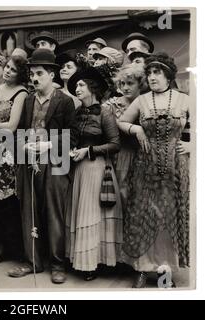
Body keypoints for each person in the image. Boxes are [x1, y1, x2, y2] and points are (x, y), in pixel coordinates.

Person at [118, 53, 190, 288]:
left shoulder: (184, 99)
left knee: (168, 217)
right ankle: (142, 268)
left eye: (156, 72)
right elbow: (121, 121)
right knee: (144, 213)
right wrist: (135, 129)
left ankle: (165, 270)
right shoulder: (142, 101)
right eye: (149, 73)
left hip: (174, 167)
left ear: (168, 75)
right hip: (145, 166)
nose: (151, 77)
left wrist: (192, 144)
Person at [7, 49, 78, 284]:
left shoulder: (65, 102)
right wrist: (23, 145)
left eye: (39, 73)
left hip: (56, 164)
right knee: (30, 211)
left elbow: (74, 136)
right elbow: (18, 132)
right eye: (32, 74)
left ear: (51, 74)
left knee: (54, 214)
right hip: (30, 162)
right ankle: (32, 261)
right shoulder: (28, 100)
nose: (34, 78)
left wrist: (49, 144)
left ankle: (58, 264)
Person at [66, 67, 122, 281]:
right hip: (78, 169)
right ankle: (81, 261)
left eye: (81, 85)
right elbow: (71, 138)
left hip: (96, 168)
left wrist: (88, 151)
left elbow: (115, 144)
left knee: (92, 214)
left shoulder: (105, 113)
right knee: (81, 212)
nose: (77, 89)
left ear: (92, 88)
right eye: (76, 86)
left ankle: (92, 264)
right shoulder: (77, 112)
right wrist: (71, 149)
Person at [0, 55, 29, 266]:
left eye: (13, 70)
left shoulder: (21, 93)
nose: (9, 71)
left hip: (8, 151)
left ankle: (8, 248)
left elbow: (12, 125)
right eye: (7, 67)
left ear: (20, 74)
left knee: (7, 201)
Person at [102, 64, 147, 214]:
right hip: (121, 154)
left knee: (142, 194)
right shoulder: (112, 104)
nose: (125, 87)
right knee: (122, 191)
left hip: (144, 154)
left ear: (140, 84)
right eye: (122, 83)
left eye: (130, 83)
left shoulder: (147, 102)